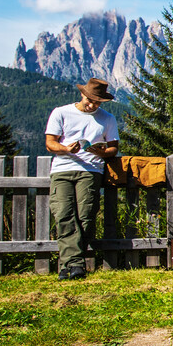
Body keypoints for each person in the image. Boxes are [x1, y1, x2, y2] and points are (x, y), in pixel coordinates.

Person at [45, 78, 119, 280]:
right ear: (82, 94)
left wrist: (102, 152)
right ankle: (75, 264)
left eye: (97, 102)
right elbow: (50, 143)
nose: (92, 105)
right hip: (62, 169)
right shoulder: (61, 113)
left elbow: (113, 148)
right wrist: (66, 149)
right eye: (90, 100)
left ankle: (67, 266)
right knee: (64, 214)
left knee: (86, 216)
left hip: (90, 170)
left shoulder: (107, 119)